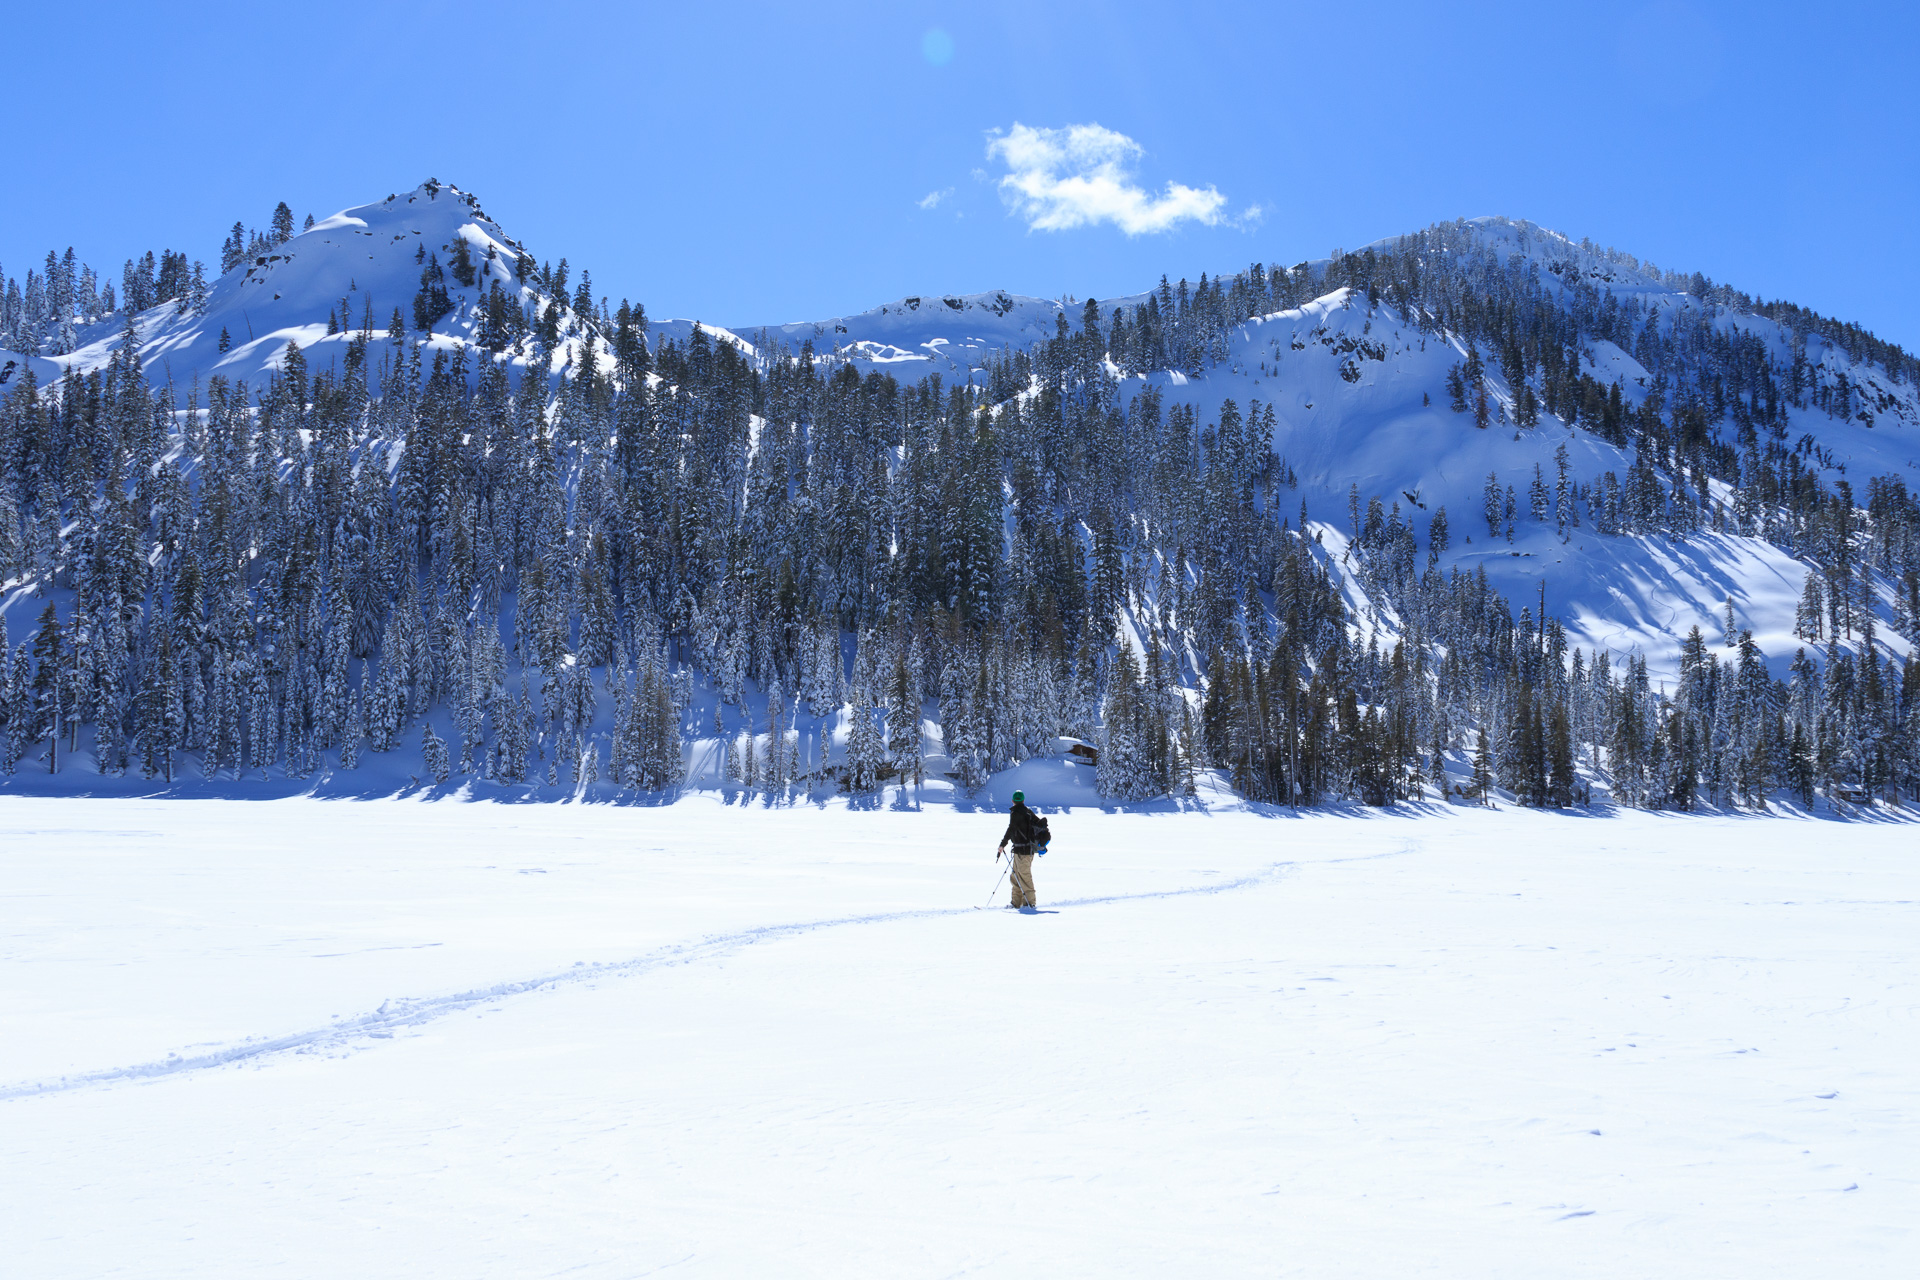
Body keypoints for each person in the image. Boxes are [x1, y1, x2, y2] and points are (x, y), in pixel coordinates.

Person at [997, 789, 1041, 910]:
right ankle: (1016, 903)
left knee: (1024, 876)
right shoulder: (1028, 812)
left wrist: (1002, 845)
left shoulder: (1017, 813)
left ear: (1012, 801)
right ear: (1022, 800)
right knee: (1015, 876)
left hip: (1024, 852)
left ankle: (1030, 903)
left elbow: (1011, 829)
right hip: (1023, 851)